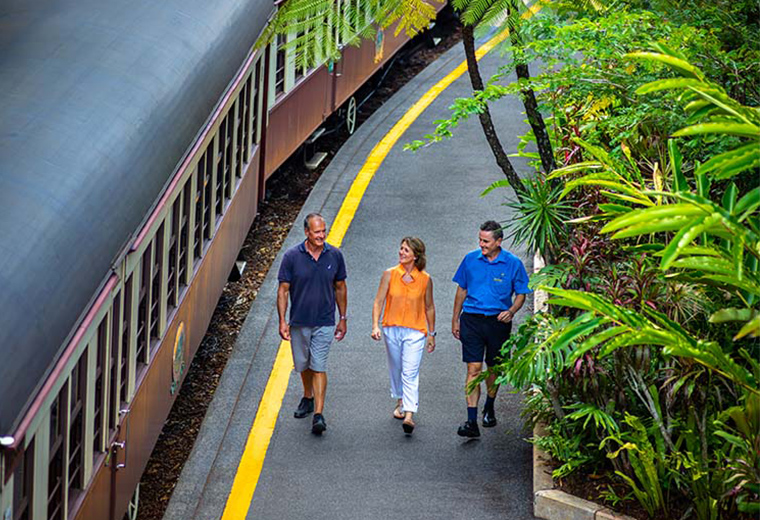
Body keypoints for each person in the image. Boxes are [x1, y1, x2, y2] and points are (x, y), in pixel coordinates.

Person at [451, 220, 531, 438]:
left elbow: (521, 293)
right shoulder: (470, 260)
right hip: (472, 320)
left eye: (486, 241)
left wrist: (512, 310)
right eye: (480, 240)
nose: (481, 244)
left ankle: (490, 405)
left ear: (498, 241)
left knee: (495, 368)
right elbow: (461, 290)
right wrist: (455, 320)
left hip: (498, 323)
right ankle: (471, 421)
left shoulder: (512, 263)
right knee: (473, 369)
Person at [277, 213, 348, 435]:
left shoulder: (334, 255)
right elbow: (283, 290)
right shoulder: (291, 257)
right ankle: (307, 397)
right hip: (299, 322)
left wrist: (343, 318)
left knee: (318, 365)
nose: (321, 235)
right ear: (307, 232)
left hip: (324, 322)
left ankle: (318, 414)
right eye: (317, 232)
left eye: (323, 231)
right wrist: (282, 321)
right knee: (303, 365)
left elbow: (340, 287)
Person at [371, 237, 435, 435]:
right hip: (392, 328)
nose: (401, 253)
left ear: (415, 256)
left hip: (416, 331)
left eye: (406, 250)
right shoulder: (389, 274)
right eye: (401, 249)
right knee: (396, 367)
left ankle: (409, 414)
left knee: (410, 371)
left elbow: (429, 307)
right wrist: (375, 325)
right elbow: (378, 301)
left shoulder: (425, 279)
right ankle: (400, 401)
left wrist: (431, 333)